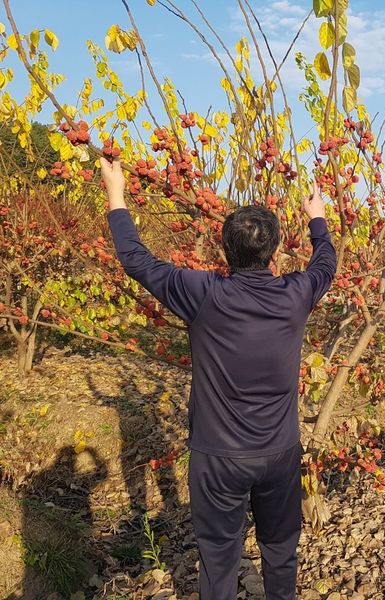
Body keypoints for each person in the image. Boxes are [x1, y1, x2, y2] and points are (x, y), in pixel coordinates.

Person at [100, 156, 337, 599]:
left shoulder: (203, 293)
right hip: (279, 452)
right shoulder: (296, 294)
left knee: (219, 558)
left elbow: (135, 259)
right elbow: (326, 264)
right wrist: (317, 218)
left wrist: (116, 194)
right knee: (281, 551)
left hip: (218, 459)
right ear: (276, 252)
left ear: (224, 248)